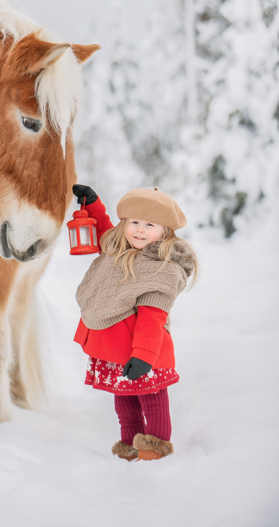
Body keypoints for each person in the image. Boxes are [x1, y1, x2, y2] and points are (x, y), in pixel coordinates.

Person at [72, 184, 198, 462]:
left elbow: (153, 319)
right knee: (124, 403)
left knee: (152, 402)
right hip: (116, 352)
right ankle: (129, 451)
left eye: (149, 224)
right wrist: (92, 205)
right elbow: (106, 232)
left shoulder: (161, 269)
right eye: (134, 223)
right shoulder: (121, 250)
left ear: (165, 230)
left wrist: (144, 356)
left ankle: (154, 453)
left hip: (143, 354)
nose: (140, 230)